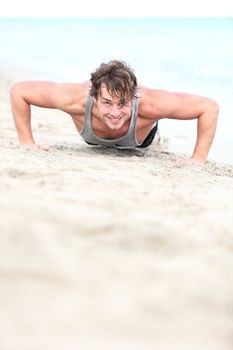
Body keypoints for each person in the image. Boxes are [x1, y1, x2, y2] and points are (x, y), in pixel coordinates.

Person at [10, 60, 219, 165]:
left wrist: (198, 159)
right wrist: (27, 142)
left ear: (133, 97)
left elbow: (208, 107)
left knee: (151, 127)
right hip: (93, 136)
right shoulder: (74, 99)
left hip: (141, 137)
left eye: (123, 103)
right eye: (107, 103)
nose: (115, 112)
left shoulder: (151, 104)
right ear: (94, 97)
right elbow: (19, 92)